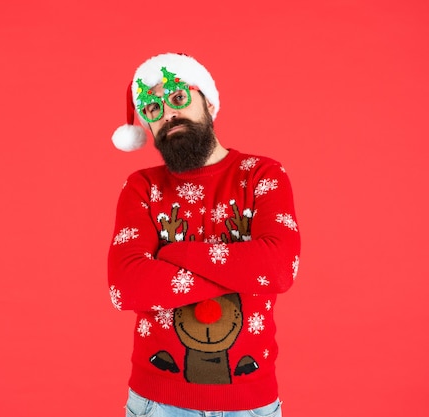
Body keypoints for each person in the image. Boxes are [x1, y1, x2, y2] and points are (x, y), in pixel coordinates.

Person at [107, 52, 301, 417]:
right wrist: (241, 268)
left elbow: (278, 269)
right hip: (157, 403)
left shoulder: (262, 175)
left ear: (208, 101)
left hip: (253, 403)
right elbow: (125, 288)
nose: (168, 114)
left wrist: (171, 254)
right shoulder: (141, 187)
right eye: (151, 109)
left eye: (178, 97)